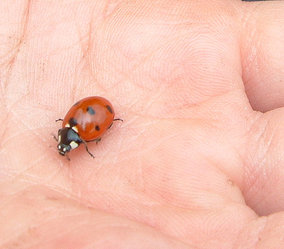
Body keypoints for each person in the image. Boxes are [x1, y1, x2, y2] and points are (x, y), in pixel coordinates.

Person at [0, 0, 283, 248]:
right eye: (65, 145)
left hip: (101, 109)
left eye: (67, 145)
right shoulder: (77, 129)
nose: (66, 147)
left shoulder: (81, 132)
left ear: (73, 140)